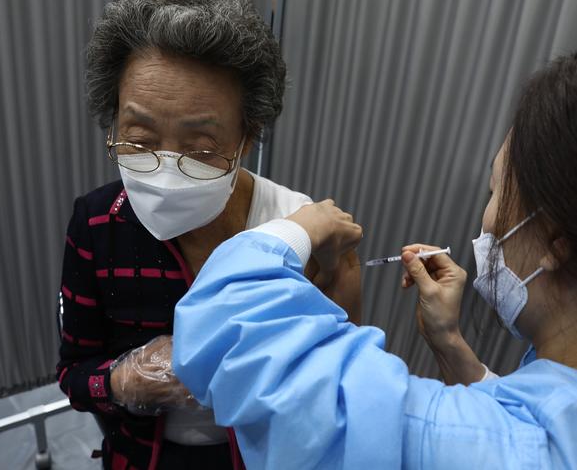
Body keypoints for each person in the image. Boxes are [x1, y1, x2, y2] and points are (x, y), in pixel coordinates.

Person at [172, 53, 577, 468]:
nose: (487, 215)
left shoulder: (430, 436)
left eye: (496, 192)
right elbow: (514, 414)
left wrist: (300, 229)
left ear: (553, 242)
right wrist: (449, 342)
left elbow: (220, 320)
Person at [55, 0, 361, 469]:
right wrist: (124, 379)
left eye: (199, 150)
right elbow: (74, 375)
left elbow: (335, 372)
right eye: (139, 138)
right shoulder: (97, 224)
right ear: (112, 122)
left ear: (247, 137)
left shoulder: (294, 223)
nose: (165, 169)